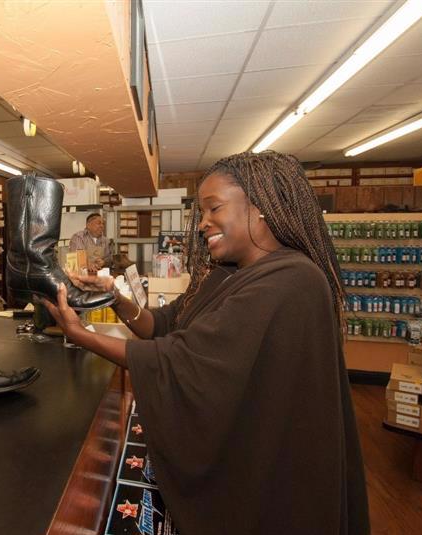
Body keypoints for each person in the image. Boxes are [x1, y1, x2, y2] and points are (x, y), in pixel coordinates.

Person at [44, 151, 370, 535]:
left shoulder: (293, 282)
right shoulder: (229, 275)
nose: (203, 224)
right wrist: (112, 295)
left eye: (214, 208)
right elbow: (162, 326)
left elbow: (183, 360)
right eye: (201, 212)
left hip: (271, 482)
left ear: (261, 205)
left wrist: (81, 335)